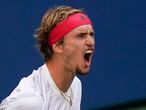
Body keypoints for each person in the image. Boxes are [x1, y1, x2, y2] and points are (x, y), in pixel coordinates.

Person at [0, 5, 95, 110]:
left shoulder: (75, 85)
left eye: (91, 35)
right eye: (80, 36)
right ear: (58, 46)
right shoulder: (30, 102)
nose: (91, 42)